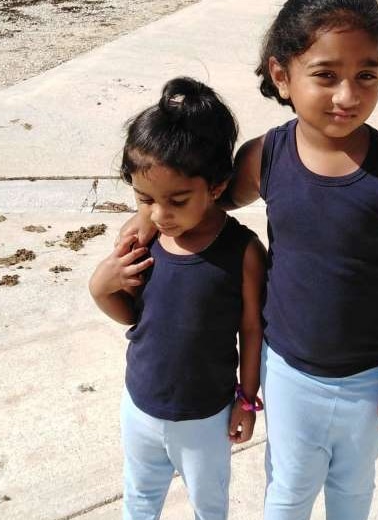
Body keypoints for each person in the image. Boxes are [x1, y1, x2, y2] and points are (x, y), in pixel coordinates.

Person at [118, 0, 378, 518]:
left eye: (367, 74)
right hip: (287, 372)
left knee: (353, 490)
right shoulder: (267, 157)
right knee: (287, 492)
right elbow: (208, 195)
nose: (347, 95)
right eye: (326, 74)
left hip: (370, 378)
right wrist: (148, 216)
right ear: (282, 76)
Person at [89, 76, 266, 520]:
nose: (160, 214)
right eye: (144, 198)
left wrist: (246, 398)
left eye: (177, 200)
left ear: (217, 187)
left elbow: (252, 330)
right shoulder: (140, 239)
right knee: (140, 497)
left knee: (209, 505)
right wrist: (101, 284)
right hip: (141, 404)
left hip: (205, 417)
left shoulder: (242, 252)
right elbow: (131, 316)